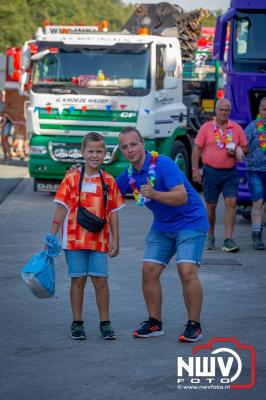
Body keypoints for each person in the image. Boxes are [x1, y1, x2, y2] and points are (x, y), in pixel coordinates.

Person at [116, 126, 209, 342]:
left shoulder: (163, 163)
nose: (130, 150)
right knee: (148, 270)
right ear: (121, 151)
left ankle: (194, 325)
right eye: (125, 147)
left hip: (191, 221)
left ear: (142, 145)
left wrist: (155, 193)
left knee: (186, 270)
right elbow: (107, 191)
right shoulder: (129, 175)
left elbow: (181, 196)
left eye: (133, 144)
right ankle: (155, 323)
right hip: (163, 226)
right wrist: (80, 175)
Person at [50, 132, 125, 340]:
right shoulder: (71, 179)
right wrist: (52, 234)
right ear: (83, 152)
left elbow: (113, 212)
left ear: (105, 153)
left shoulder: (109, 181)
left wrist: (116, 240)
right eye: (90, 151)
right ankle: (77, 322)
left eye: (99, 151)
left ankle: (105, 322)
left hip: (100, 240)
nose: (95, 155)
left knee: (101, 281)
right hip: (74, 240)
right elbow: (61, 208)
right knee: (78, 280)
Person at [192, 99, 248, 252]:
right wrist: (195, 169)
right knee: (211, 205)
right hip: (211, 171)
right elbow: (197, 149)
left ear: (229, 112)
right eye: (221, 109)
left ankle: (228, 239)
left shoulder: (235, 128)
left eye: (226, 110)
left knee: (231, 203)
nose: (224, 112)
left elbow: (246, 147)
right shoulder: (206, 128)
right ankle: (210, 236)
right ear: (216, 111)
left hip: (230, 172)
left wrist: (238, 149)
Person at [244, 97, 266, 250]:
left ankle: (259, 228)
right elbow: (243, 145)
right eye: (265, 109)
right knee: (257, 202)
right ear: (259, 110)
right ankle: (257, 236)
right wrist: (238, 150)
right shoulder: (252, 127)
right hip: (255, 170)